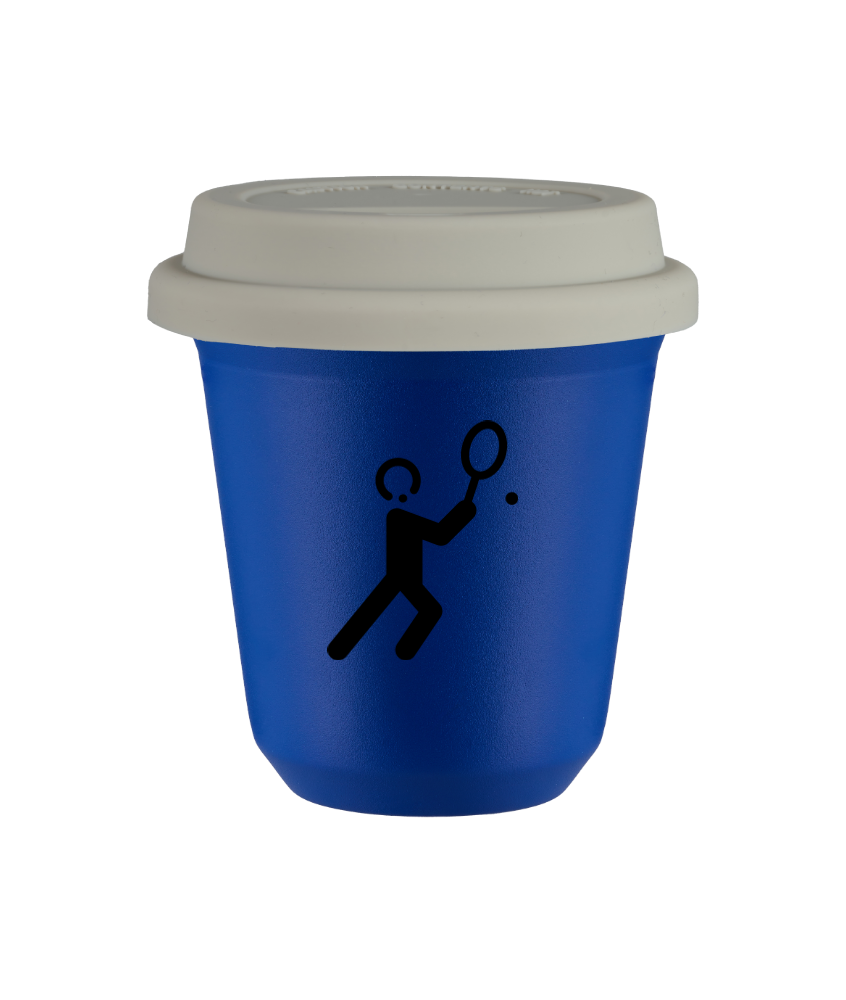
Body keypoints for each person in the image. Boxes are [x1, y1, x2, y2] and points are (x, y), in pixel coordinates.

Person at [327, 462, 476, 661]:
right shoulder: (402, 518)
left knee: (381, 609)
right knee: (429, 610)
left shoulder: (396, 517)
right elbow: (441, 535)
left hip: (400, 577)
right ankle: (401, 651)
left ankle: (344, 648)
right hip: (403, 577)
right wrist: (465, 510)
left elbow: (441, 534)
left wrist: (464, 510)